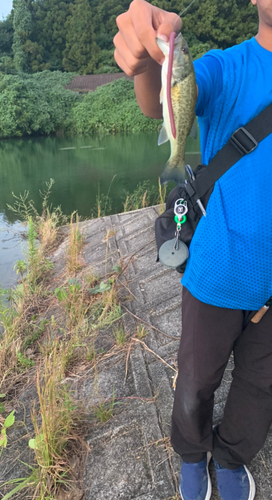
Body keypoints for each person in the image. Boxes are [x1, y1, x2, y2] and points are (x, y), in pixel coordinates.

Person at [114, 1, 272, 500]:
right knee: (196, 378)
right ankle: (190, 451)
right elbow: (158, 101)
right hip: (217, 270)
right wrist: (146, 61)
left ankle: (231, 456)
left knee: (261, 384)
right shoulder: (228, 66)